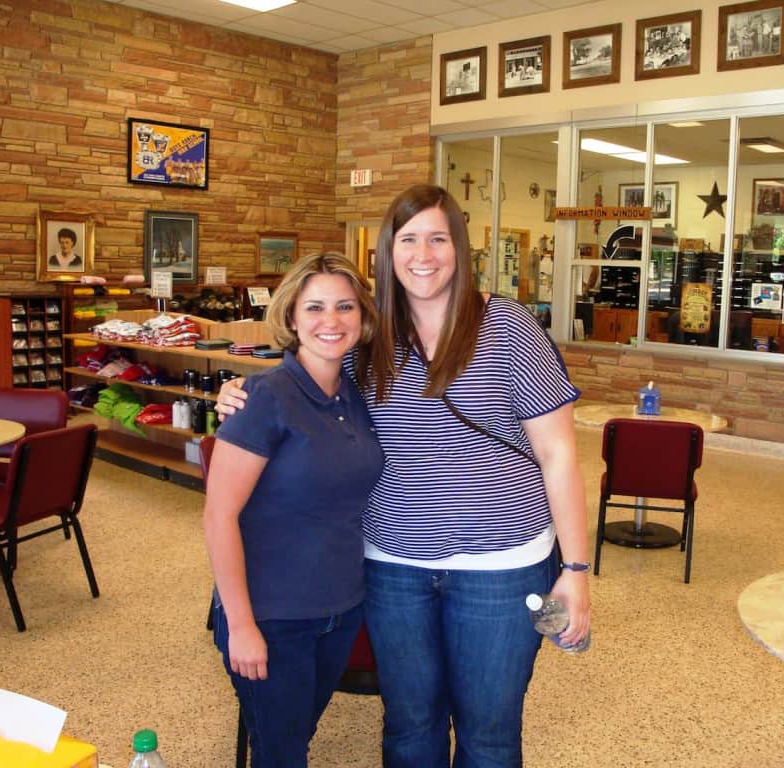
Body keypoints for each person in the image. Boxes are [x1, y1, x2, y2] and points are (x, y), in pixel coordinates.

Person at [218, 184, 591, 768]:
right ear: (388, 252)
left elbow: (559, 455)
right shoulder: (370, 336)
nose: (423, 254)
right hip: (393, 569)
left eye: (438, 239)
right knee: (410, 727)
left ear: (459, 247)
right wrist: (240, 391)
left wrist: (576, 571)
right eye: (408, 239)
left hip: (501, 567)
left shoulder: (509, 327)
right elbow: (308, 377)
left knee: (490, 735)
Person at [203, 252, 383, 768]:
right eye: (315, 307)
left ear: (363, 316)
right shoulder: (263, 397)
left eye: (345, 306)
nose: (332, 321)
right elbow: (218, 517)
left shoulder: (355, 392)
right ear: (291, 317)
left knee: (297, 736)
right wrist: (242, 626)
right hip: (272, 616)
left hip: (340, 609)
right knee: (281, 753)